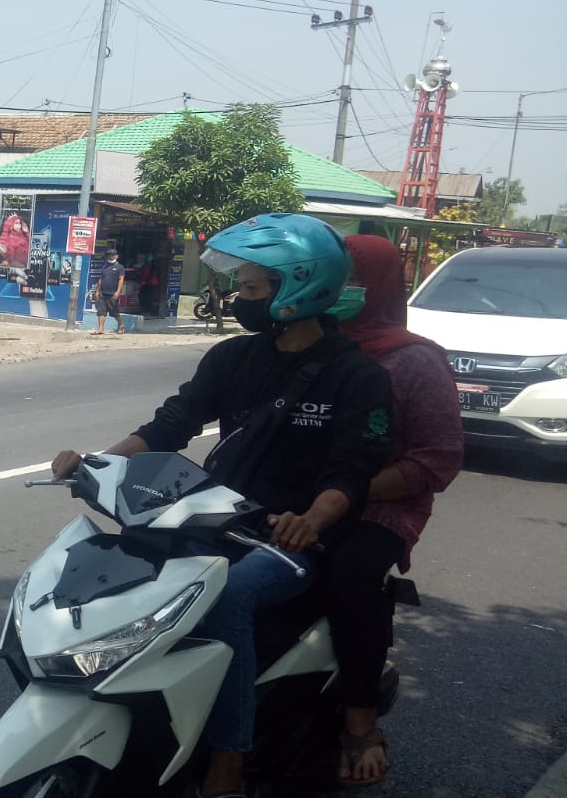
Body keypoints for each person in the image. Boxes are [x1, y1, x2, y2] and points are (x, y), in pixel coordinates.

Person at [50, 213, 394, 798]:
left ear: (297, 290)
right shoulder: (233, 358)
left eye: (252, 288)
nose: (240, 299)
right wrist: (95, 462)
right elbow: (172, 424)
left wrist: (311, 520)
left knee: (227, 596)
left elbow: (351, 471)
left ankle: (228, 762)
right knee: (119, 569)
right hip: (211, 517)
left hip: (289, 540)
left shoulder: (357, 378)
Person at [326, 234, 463, 786]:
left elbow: (438, 459)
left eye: (352, 280)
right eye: (333, 278)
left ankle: (360, 721)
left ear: (379, 286)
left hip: (381, 506)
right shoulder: (310, 342)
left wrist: (349, 494)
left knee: (347, 575)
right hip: (299, 493)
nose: (340, 290)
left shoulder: (416, 360)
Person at [92, 247, 127, 334]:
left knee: (114, 312)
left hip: (113, 294)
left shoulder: (120, 267)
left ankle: (121, 325)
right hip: (102, 293)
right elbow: (101, 279)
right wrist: (97, 291)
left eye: (112, 255)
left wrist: (118, 292)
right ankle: (100, 329)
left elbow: (121, 279)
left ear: (116, 256)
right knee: (101, 312)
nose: (111, 257)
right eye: (109, 255)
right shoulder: (105, 266)